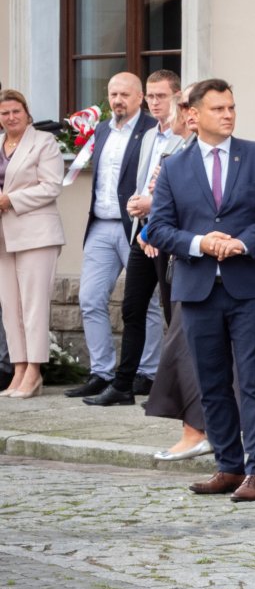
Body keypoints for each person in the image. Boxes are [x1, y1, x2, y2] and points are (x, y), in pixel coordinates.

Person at [145, 78, 255, 502]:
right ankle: (228, 465)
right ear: (194, 115)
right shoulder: (173, 166)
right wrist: (200, 243)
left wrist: (240, 242)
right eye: (218, 109)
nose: (228, 115)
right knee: (211, 382)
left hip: (250, 285)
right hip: (197, 287)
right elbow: (160, 228)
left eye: (231, 108)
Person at [84, 69, 181, 407]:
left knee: (172, 312)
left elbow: (184, 191)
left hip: (169, 235)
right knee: (132, 307)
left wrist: (153, 209)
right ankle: (123, 385)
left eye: (161, 96)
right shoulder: (151, 137)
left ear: (177, 98)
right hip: (143, 233)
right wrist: (137, 207)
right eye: (151, 96)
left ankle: (179, 385)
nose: (155, 103)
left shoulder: (185, 138)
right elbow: (141, 184)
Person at [67, 72, 162, 399]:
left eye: (124, 94)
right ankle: (101, 371)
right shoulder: (102, 129)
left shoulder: (151, 130)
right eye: (113, 94)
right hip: (101, 225)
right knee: (90, 298)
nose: (117, 100)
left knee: (145, 303)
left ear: (140, 98)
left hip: (134, 226)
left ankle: (146, 373)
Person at [143, 85, 210, 460]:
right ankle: (197, 430)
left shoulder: (214, 154)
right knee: (183, 347)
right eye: (181, 105)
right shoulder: (178, 154)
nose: (181, 112)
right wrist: (150, 231)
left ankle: (200, 430)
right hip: (184, 263)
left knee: (188, 349)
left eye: (187, 105)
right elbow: (164, 213)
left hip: (216, 268)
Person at [0, 89, 66, 399]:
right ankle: (18, 369)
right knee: (10, 308)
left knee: (33, 306)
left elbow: (51, 186)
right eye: (4, 113)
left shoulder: (44, 142)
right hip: (3, 238)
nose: (10, 117)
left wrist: (10, 199)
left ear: (27, 113)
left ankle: (35, 371)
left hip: (36, 234)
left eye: (15, 111)